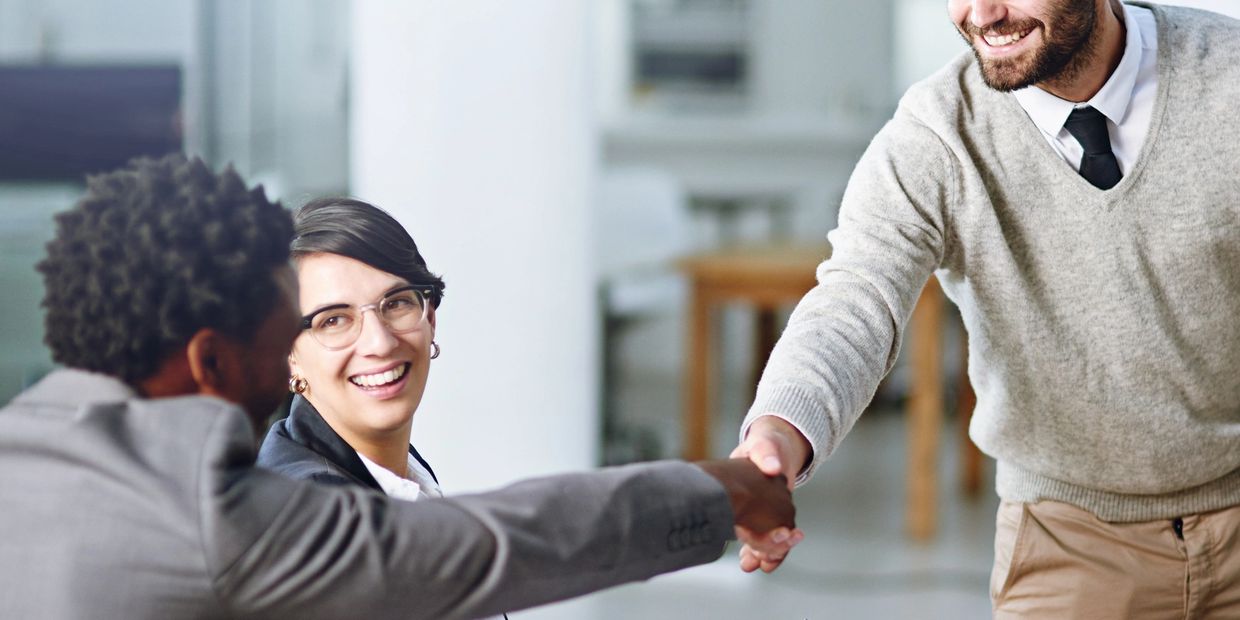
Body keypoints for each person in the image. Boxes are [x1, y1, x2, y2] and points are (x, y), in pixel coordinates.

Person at [0, 154, 798, 620]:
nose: (369, 342)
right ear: (214, 361)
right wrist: (720, 491)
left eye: (397, 305)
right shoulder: (230, 515)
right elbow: (503, 545)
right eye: (301, 326)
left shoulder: (31, 442)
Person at [731, 0, 1240, 616]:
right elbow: (853, 298)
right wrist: (779, 434)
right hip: (1068, 537)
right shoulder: (937, 134)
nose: (985, 13)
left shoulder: (1226, 77)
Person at [256, 198, 448, 504]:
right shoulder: (308, 509)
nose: (380, 343)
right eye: (333, 320)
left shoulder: (395, 472)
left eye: (397, 303)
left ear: (431, 318)